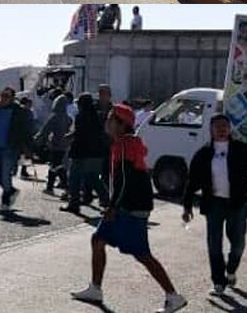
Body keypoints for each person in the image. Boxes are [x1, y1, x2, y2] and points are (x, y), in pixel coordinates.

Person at [72, 105, 187, 313]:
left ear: (121, 124)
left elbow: (124, 180)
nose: (107, 121)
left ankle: (173, 296)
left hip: (131, 208)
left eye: (110, 118)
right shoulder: (124, 143)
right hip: (127, 206)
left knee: (143, 255)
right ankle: (95, 288)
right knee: (98, 240)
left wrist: (113, 206)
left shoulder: (125, 145)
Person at [182, 113, 247, 295]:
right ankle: (218, 282)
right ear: (211, 129)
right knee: (214, 245)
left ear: (230, 128)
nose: (221, 129)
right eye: (217, 126)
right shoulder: (203, 153)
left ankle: (231, 269)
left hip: (237, 203)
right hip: (214, 204)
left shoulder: (241, 149)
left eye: (224, 126)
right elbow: (192, 181)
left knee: (238, 244)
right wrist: (187, 206)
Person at [62, 93, 109, 213]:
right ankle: (107, 201)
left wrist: (69, 137)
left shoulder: (81, 116)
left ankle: (74, 204)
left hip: (81, 152)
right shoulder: (99, 116)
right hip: (98, 152)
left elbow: (80, 134)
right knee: (93, 178)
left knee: (74, 178)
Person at [0, 87, 33, 212]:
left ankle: (5, 202)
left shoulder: (19, 111)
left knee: (5, 175)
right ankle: (11, 191)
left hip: (11, 147)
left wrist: (28, 148)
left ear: (13, 98)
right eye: (2, 95)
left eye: (7, 96)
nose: (3, 98)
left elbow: (26, 130)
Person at [35, 94, 73, 195]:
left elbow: (46, 129)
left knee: (56, 165)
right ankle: (52, 186)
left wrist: (38, 137)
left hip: (56, 143)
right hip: (65, 144)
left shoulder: (54, 117)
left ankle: (62, 186)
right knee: (55, 164)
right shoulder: (67, 117)